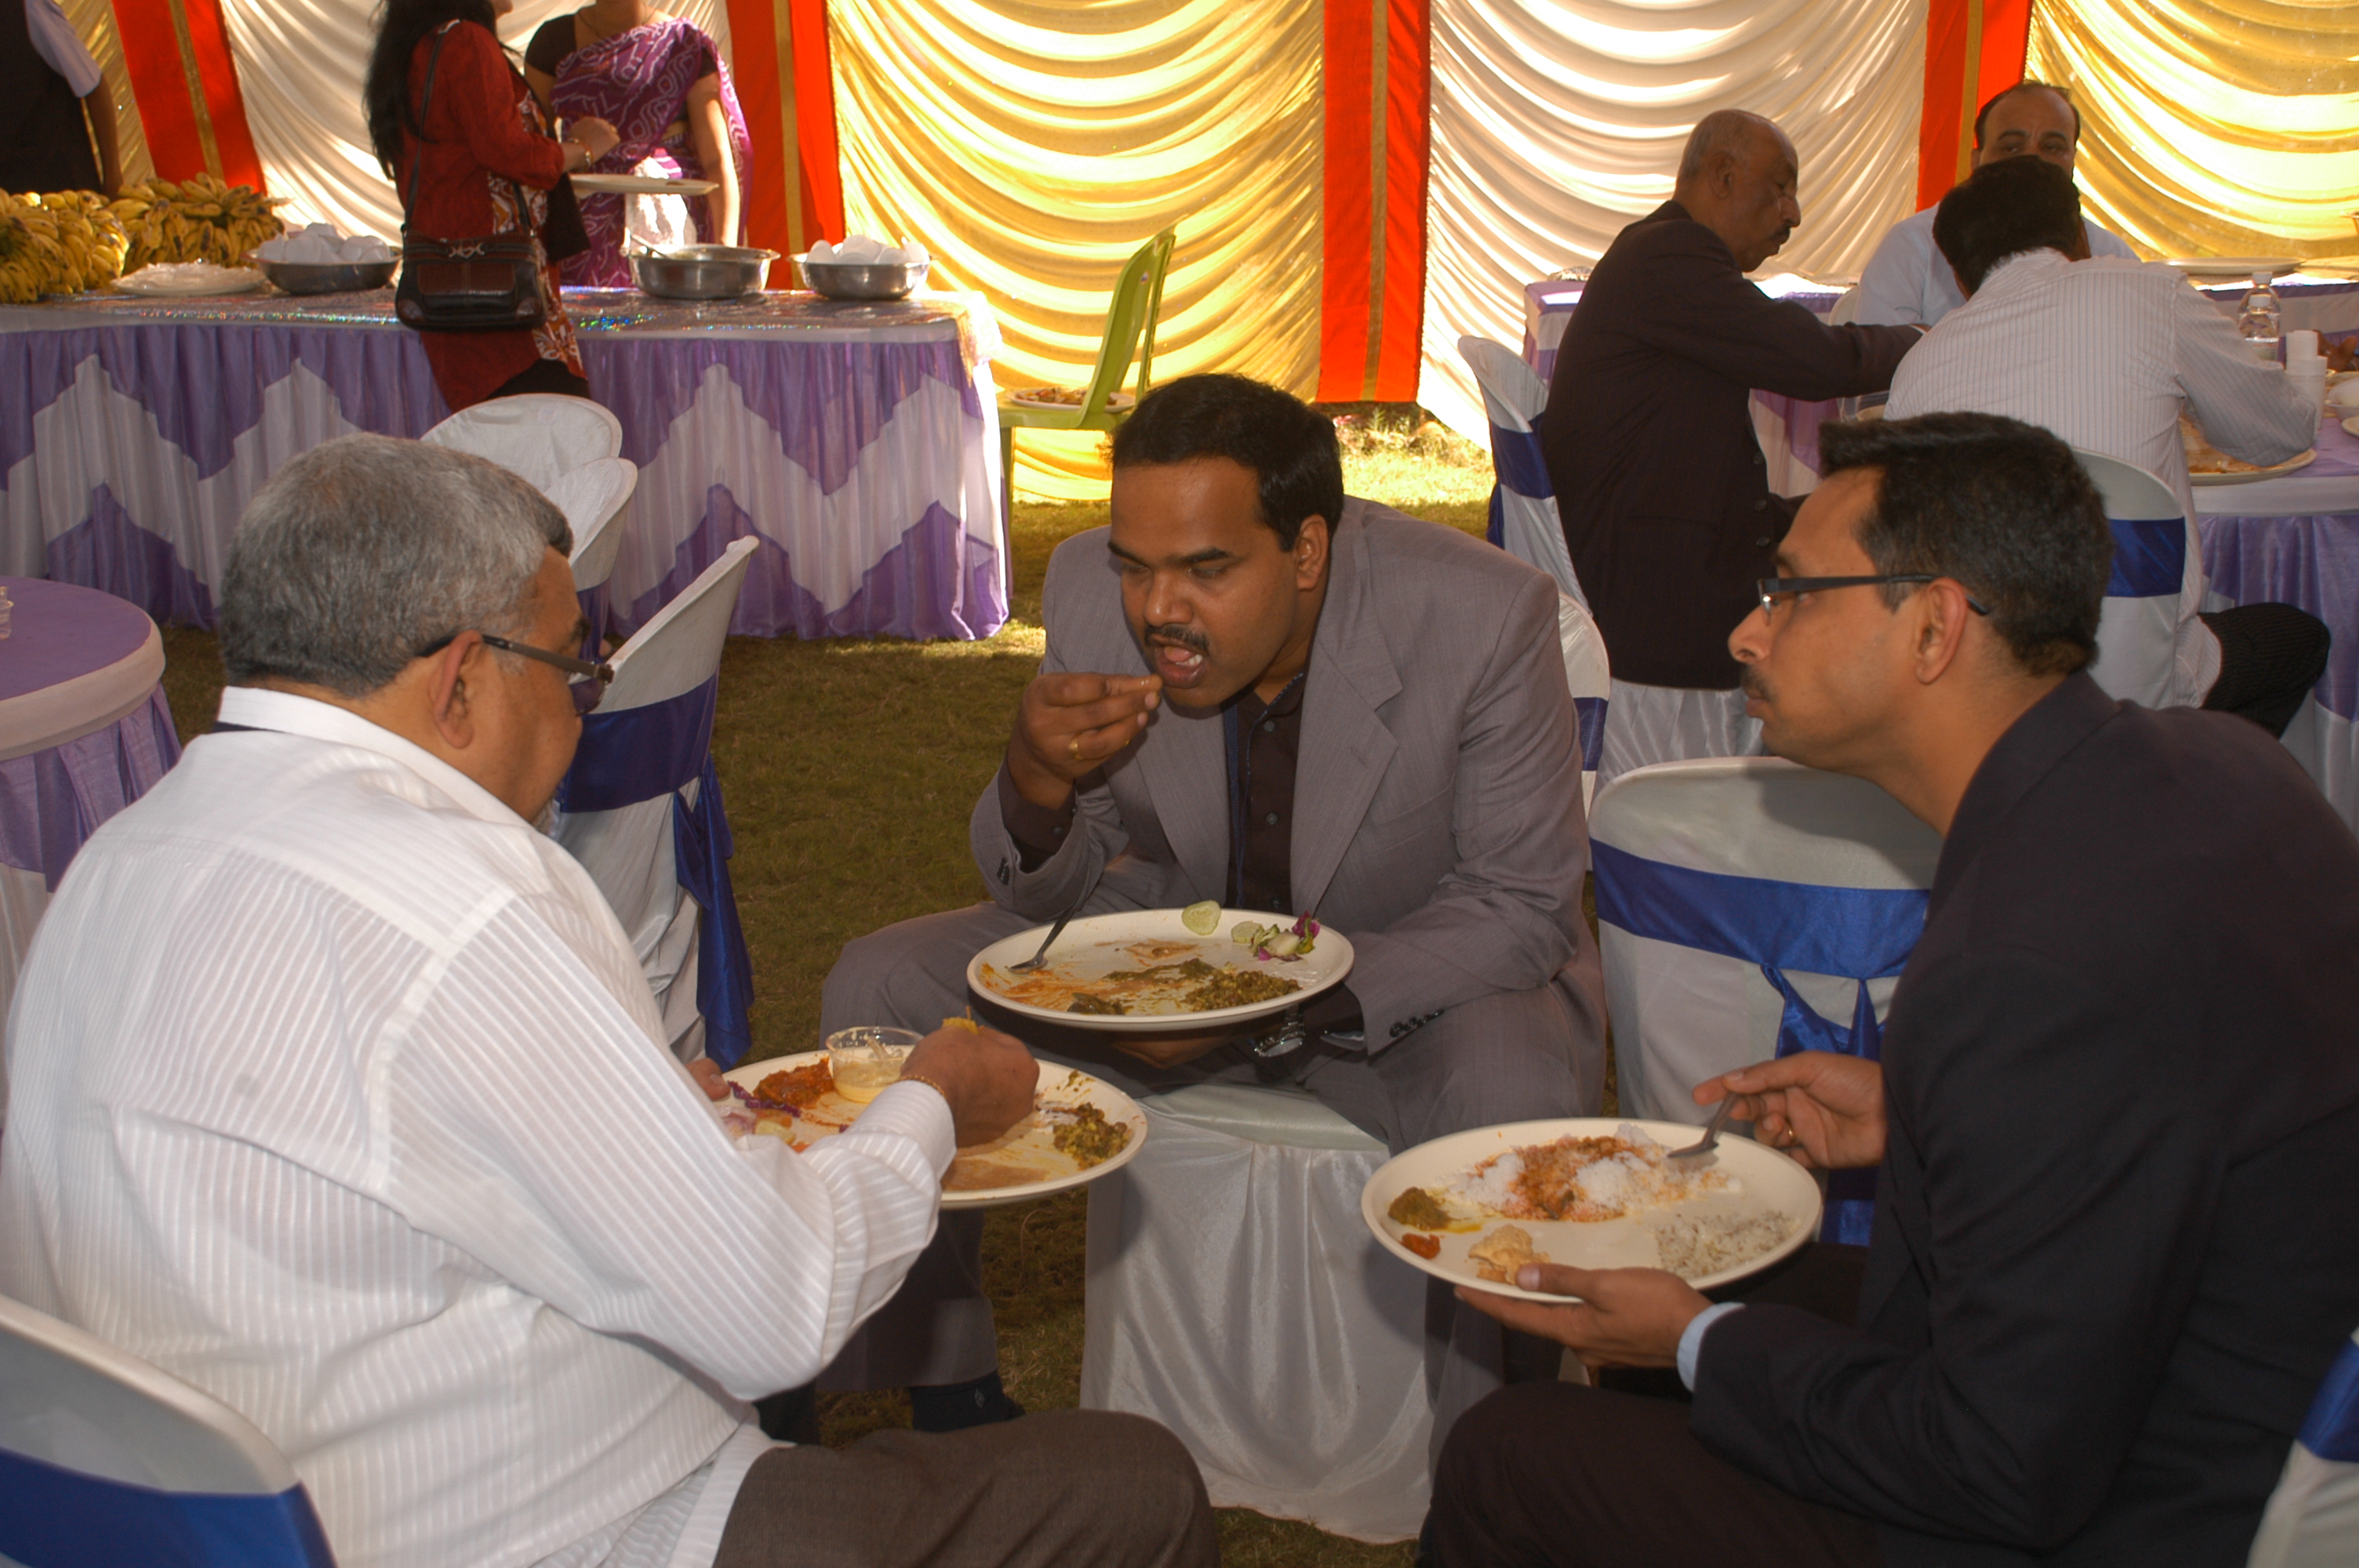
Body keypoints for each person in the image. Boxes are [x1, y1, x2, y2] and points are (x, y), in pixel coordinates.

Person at [0, 435, 1216, 1568]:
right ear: (461, 683)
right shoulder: (468, 892)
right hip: (543, 1530)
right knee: (1136, 1483)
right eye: (573, 666)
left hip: (172, 1518)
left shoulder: (118, 856)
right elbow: (775, 1308)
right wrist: (933, 1101)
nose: (580, 710)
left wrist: (647, 1113)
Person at [1424, 412, 2359, 1567]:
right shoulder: (2220, 762)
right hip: (2219, 1369)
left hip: (2139, 1501)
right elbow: (2166, 1091)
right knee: (1713, 1269)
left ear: (1933, 626)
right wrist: (1924, 1107)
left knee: (1511, 1453)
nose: (1747, 631)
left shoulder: (2024, 964)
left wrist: (1696, 1345)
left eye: (1791, 593)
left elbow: (1997, 1464)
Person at [819, 373, 1608, 1459]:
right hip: (1178, 951)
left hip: (1408, 986)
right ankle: (947, 1387)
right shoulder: (1089, 593)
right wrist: (1036, 778)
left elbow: (1520, 904)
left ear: (1307, 552)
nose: (1157, 609)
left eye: (1205, 569)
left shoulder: (1480, 616)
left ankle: (1498, 1474)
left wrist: (1264, 1011)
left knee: (1506, 1094)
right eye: (1136, 566)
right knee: (881, 984)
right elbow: (1049, 889)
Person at [1538, 110, 1921, 786]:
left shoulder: (1660, 252)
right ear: (1722, 176)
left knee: (1858, 539)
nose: (1794, 213)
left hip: (1651, 556)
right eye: (1780, 188)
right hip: (1657, 602)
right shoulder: (1670, 257)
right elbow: (1814, 360)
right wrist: (1928, 341)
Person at [1886, 153, 2327, 731]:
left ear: (1959, 275)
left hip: (1980, 698)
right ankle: (2190, 775)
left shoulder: (1917, 369)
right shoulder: (2151, 294)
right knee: (2300, 638)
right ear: (2079, 235)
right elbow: (2280, 434)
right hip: (2140, 685)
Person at [364, 0, 620, 409]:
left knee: (518, 438)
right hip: (499, 297)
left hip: (461, 286)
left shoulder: (423, 44)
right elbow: (505, 150)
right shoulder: (466, 40)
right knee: (563, 435)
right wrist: (583, 149)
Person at [1856, 81, 2139, 328]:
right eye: (2011, 147)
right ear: (1976, 163)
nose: (2032, 159)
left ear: (2073, 162)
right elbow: (1878, 367)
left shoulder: (2112, 257)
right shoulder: (1912, 246)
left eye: (2052, 147)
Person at [524, 0, 749, 286]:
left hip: (675, 226)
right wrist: (583, 148)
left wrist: (724, 254)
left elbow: (717, 161)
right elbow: (533, 149)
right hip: (580, 230)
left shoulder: (683, 44)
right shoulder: (554, 41)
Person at [5, 0, 122, 195]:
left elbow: (94, 87)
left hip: (66, 191)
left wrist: (113, 179)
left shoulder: (27, 8)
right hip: (10, 201)